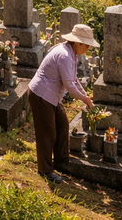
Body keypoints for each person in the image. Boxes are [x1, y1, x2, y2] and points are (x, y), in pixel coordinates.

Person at [28, 23, 98, 183]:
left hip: (51, 97)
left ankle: (61, 161)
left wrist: (85, 94)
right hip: (42, 95)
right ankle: (45, 170)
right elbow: (70, 87)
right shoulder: (65, 55)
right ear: (78, 43)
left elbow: (74, 79)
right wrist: (85, 99)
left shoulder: (71, 53)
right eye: (86, 46)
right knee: (47, 134)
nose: (87, 49)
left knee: (63, 125)